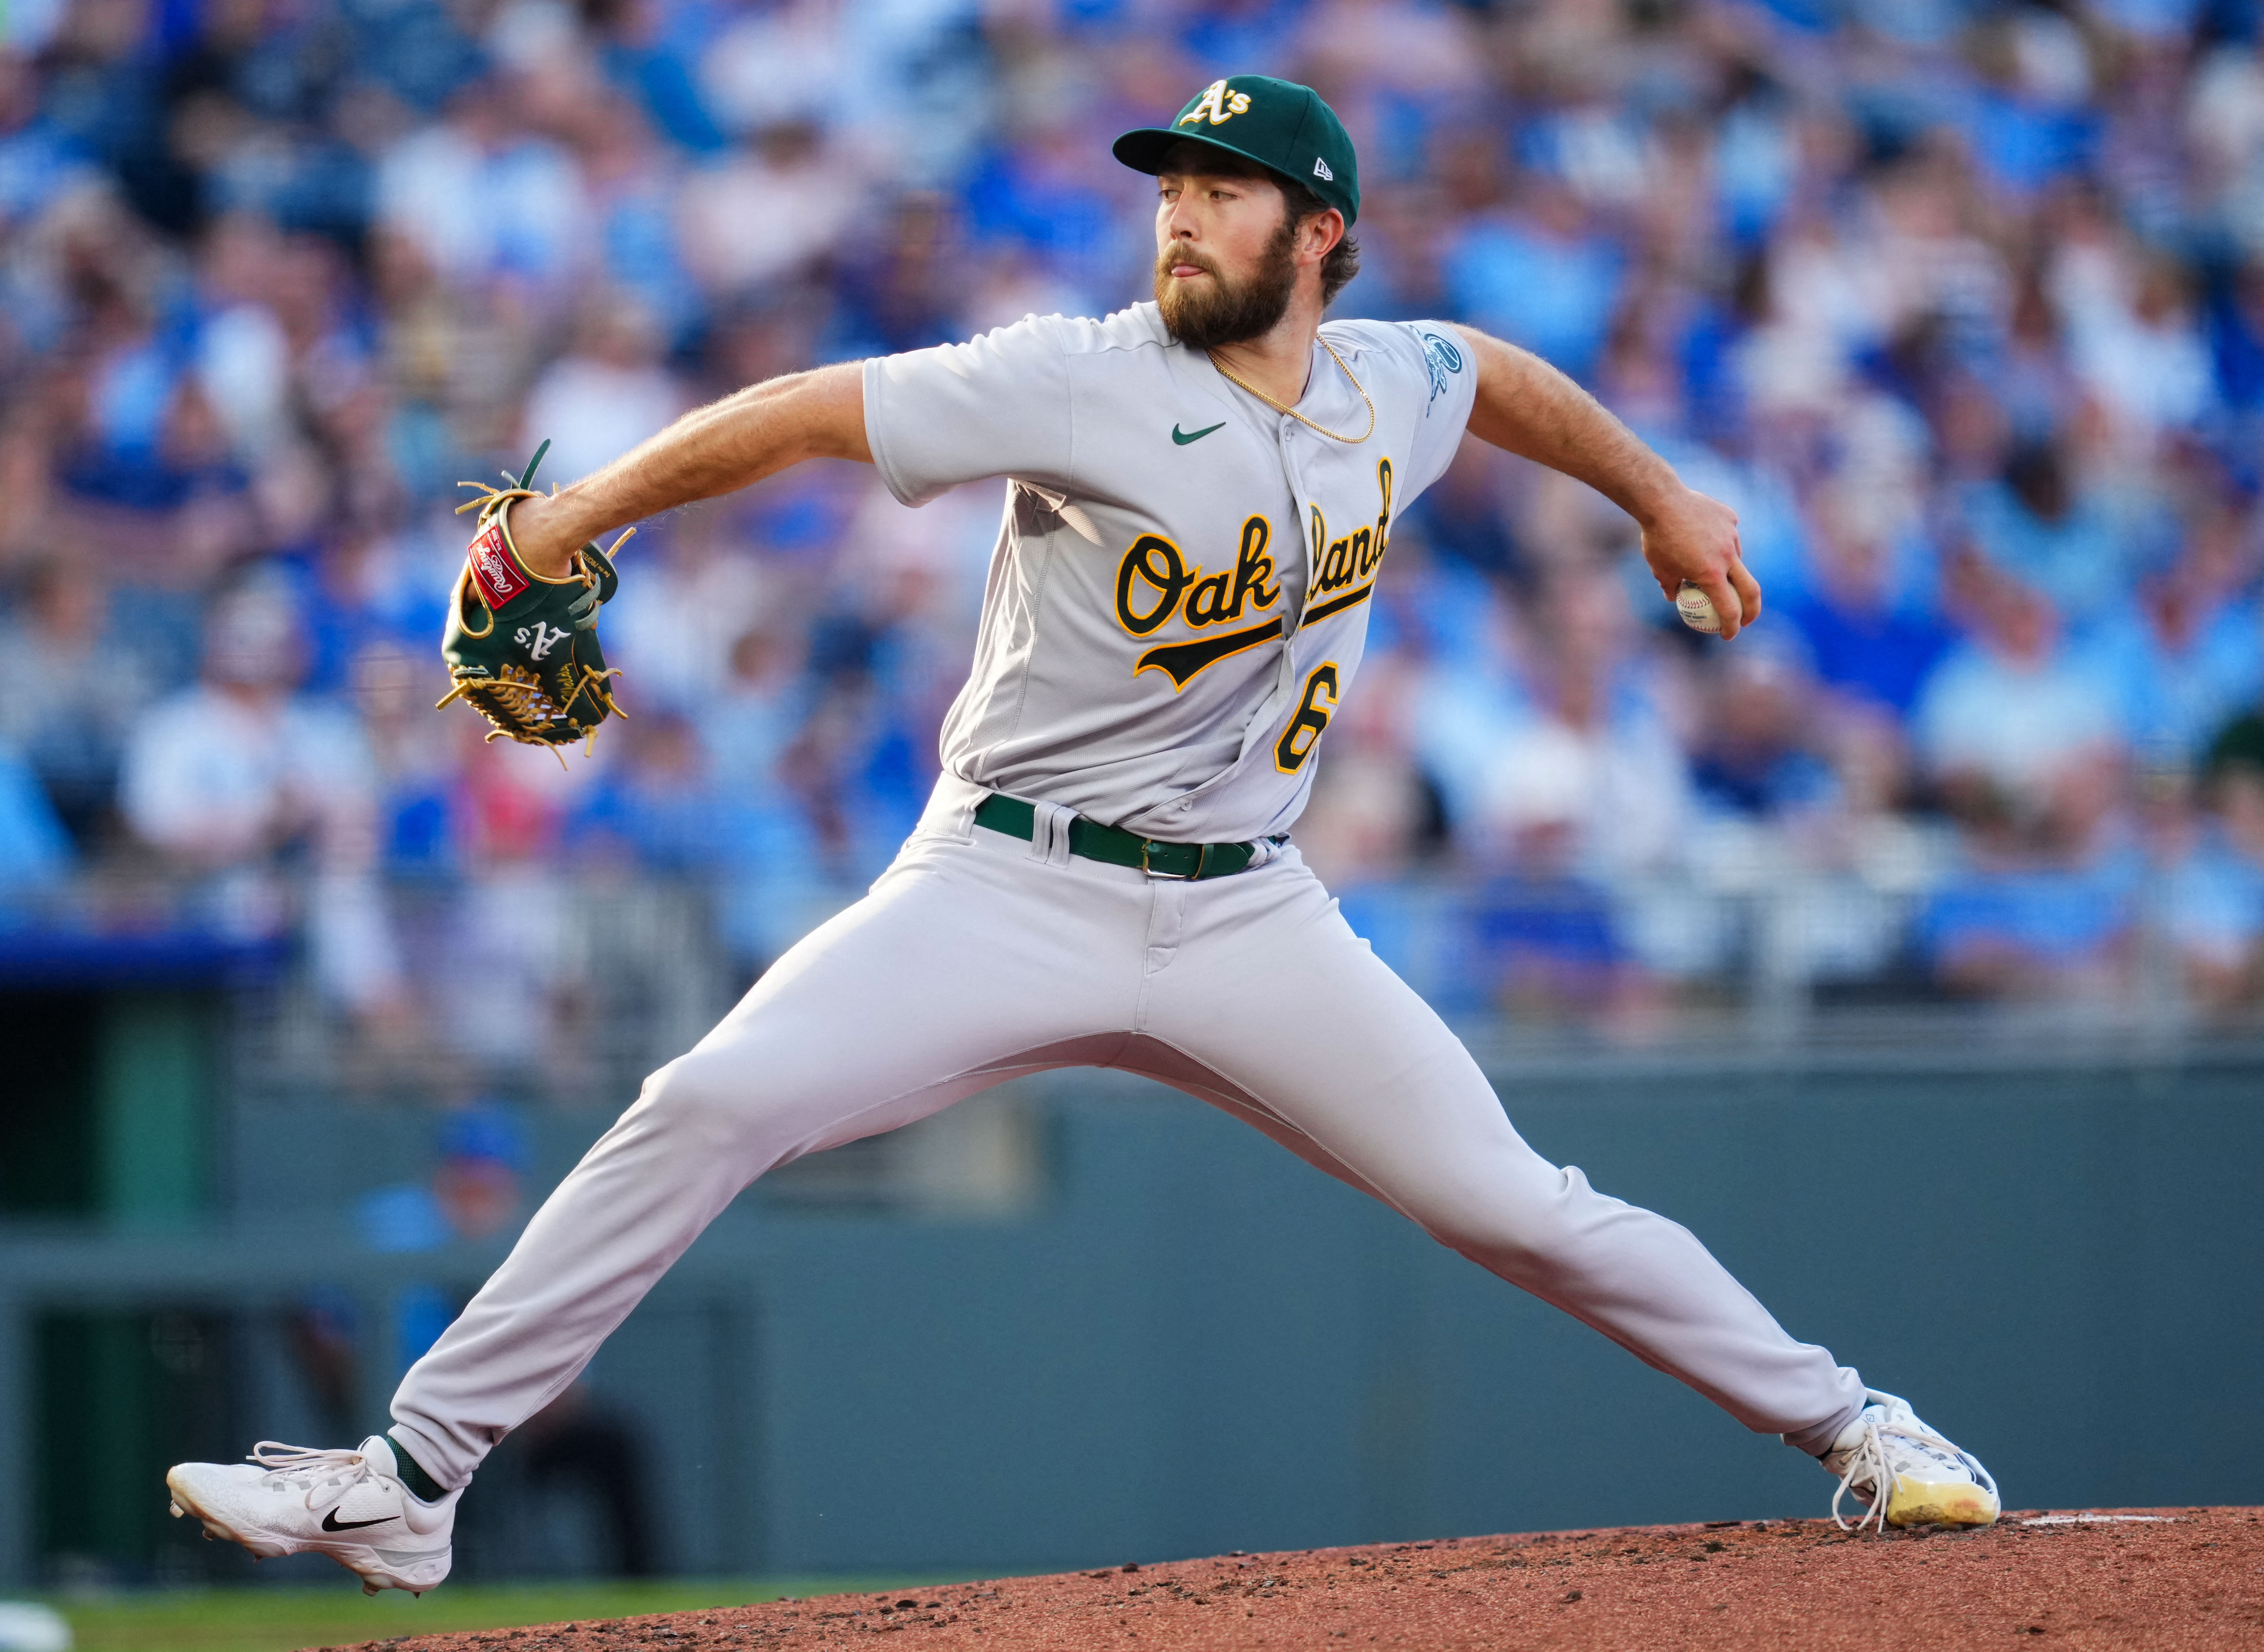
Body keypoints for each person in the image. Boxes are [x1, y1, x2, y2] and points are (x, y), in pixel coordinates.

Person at [167, 76, 1999, 1598]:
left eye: (1226, 194)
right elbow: (813, 412)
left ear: (1321, 236)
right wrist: (569, 523)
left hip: (1250, 917)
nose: (1183, 220)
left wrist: (1663, 496)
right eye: (1173, 192)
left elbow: (1497, 373)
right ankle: (411, 1476)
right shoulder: (1079, 375)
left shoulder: (1388, 388)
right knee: (705, 1103)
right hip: (1005, 882)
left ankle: (1858, 1427)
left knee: (1520, 1207)